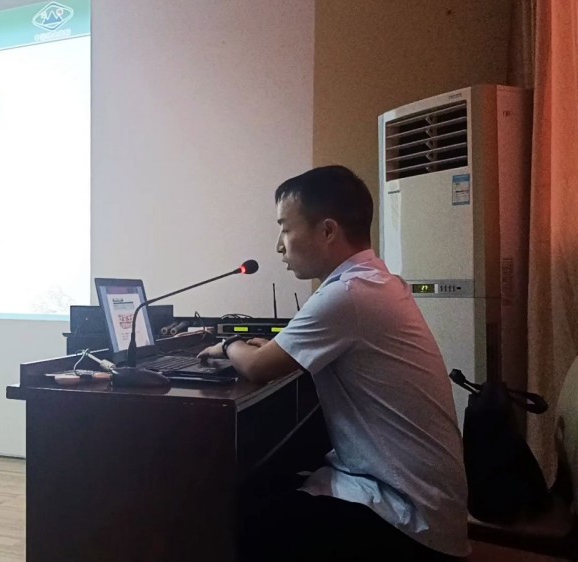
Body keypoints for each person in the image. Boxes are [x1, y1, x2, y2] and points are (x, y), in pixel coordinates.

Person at [197, 165, 468, 561]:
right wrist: (266, 348)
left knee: (231, 518)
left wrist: (226, 344)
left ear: (327, 231)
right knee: (261, 487)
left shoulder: (349, 293)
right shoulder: (375, 281)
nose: (279, 246)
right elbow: (280, 354)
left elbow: (257, 367)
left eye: (285, 229)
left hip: (411, 521)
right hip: (427, 503)